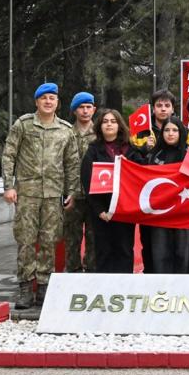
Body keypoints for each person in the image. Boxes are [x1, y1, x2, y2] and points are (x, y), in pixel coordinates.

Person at [2, 83, 82, 309]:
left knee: (49, 240)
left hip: (53, 194)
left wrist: (72, 192)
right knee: (26, 240)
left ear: (58, 103)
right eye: (44, 98)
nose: (48, 102)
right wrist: (9, 186)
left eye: (52, 98)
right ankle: (26, 288)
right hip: (27, 194)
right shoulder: (24, 125)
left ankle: (45, 287)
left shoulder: (65, 130)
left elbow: (72, 163)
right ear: (37, 102)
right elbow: (9, 155)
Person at [81, 108, 136, 274]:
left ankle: (125, 289)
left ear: (119, 125)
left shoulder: (131, 149)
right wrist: (100, 210)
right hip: (102, 213)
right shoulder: (93, 150)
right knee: (104, 252)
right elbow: (87, 181)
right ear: (99, 126)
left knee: (125, 250)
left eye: (113, 121)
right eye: (105, 122)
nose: (109, 125)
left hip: (125, 211)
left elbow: (141, 174)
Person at [138, 117, 189, 274]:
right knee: (160, 255)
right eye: (167, 130)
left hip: (184, 214)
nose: (170, 134)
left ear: (181, 132)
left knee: (182, 255)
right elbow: (142, 177)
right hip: (160, 215)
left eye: (175, 130)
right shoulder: (153, 155)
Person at [62, 91, 98, 272]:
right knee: (71, 239)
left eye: (88, 107)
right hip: (72, 195)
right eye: (81, 108)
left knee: (94, 238)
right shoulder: (65, 133)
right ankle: (72, 274)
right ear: (74, 111)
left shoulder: (100, 133)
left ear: (94, 109)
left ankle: (91, 274)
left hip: (94, 195)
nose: (85, 111)